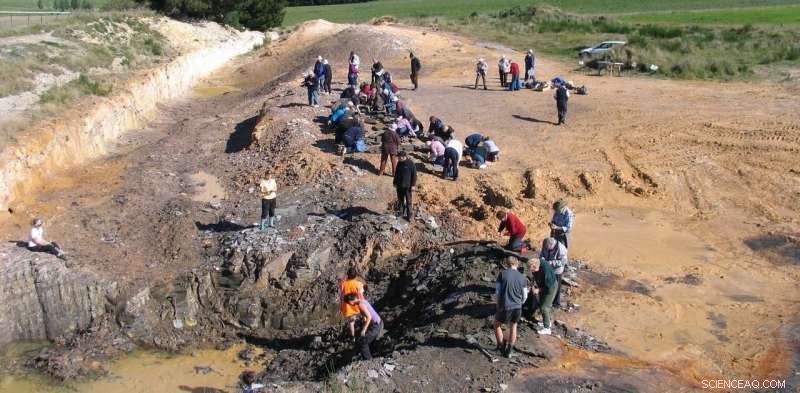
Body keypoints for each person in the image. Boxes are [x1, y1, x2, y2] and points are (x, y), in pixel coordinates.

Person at [494, 256, 528, 358]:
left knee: (496, 325)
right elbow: (525, 296)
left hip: (505, 306)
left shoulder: (502, 274)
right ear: (516, 264)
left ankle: (501, 347)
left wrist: (498, 303)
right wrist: (520, 303)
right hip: (517, 307)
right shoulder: (522, 277)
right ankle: (509, 351)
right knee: (513, 327)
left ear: (507, 264)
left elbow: (497, 292)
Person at [343, 293, 383, 360]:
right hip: (378, 323)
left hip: (376, 325)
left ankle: (368, 360)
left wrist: (364, 330)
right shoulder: (363, 301)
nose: (349, 304)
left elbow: (369, 317)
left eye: (348, 303)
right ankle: (372, 357)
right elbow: (365, 316)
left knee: (362, 342)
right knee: (367, 340)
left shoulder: (360, 304)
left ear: (350, 301)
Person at [528, 258, 556, 336]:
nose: (532, 272)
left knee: (544, 307)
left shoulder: (546, 272)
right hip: (543, 286)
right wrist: (533, 286)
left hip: (551, 288)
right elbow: (534, 276)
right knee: (542, 304)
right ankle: (547, 321)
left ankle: (547, 328)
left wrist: (538, 290)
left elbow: (549, 287)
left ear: (536, 266)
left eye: (533, 270)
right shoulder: (537, 264)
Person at [540, 237, 568, 309]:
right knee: (547, 284)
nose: (546, 249)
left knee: (556, 287)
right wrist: (542, 260)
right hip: (548, 269)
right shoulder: (546, 244)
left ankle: (556, 303)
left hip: (557, 271)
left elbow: (563, 262)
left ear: (552, 245)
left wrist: (549, 263)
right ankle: (547, 300)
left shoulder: (561, 248)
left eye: (548, 248)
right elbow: (542, 254)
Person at [340, 267, 366, 338]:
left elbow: (341, 297)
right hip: (358, 304)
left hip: (348, 307)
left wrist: (341, 307)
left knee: (351, 322)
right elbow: (361, 295)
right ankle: (365, 331)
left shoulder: (343, 284)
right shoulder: (358, 284)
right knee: (364, 316)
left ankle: (352, 337)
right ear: (355, 275)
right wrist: (364, 304)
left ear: (347, 274)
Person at [393, 151, 417, 221]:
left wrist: (413, 185)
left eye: (399, 157)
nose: (398, 158)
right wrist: (394, 182)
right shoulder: (399, 163)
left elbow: (414, 175)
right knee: (400, 200)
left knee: (409, 201)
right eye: (398, 157)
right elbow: (396, 173)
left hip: (407, 186)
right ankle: (401, 213)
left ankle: (409, 216)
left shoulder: (410, 163)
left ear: (404, 157)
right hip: (399, 185)